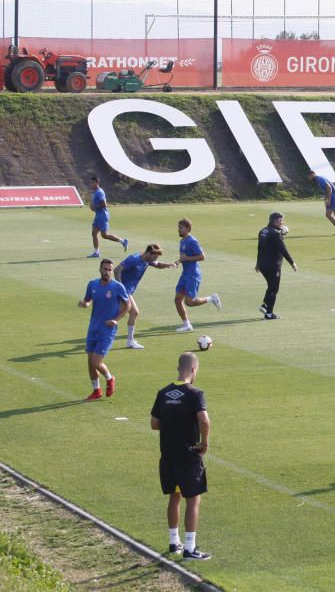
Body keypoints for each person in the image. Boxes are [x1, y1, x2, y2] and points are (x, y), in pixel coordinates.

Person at [150, 352, 212, 561]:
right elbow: (204, 420)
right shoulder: (195, 393)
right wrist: (204, 442)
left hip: (168, 456)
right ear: (193, 369)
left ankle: (173, 541)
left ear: (179, 368)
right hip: (188, 456)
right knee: (193, 500)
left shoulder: (163, 392)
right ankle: (190, 548)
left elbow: (154, 424)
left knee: (174, 496)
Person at [78, 258, 129, 400]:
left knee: (96, 362)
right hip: (93, 328)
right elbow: (88, 300)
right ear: (100, 269)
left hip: (107, 330)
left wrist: (116, 320)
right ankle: (96, 390)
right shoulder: (92, 284)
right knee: (90, 362)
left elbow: (127, 306)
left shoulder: (118, 287)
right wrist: (85, 304)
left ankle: (110, 378)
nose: (107, 272)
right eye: (105, 269)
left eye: (110, 270)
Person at [115, 243, 177, 349]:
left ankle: (102, 331)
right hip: (123, 290)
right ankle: (130, 341)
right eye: (154, 257)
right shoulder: (134, 259)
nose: (154, 259)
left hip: (127, 291)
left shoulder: (147, 260)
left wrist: (169, 265)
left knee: (116, 314)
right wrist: (121, 287)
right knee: (134, 312)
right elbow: (117, 270)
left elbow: (157, 264)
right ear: (148, 253)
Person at [174, 218, 221, 333]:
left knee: (189, 302)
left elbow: (202, 256)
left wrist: (187, 258)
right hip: (185, 274)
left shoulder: (192, 241)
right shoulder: (182, 241)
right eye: (178, 227)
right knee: (177, 299)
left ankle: (212, 298)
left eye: (181, 228)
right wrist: (178, 261)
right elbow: (184, 257)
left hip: (193, 275)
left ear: (188, 229)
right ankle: (187, 325)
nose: (179, 230)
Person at [256, 212, 297, 320]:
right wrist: (292, 262)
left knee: (271, 287)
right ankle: (269, 313)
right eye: (281, 221)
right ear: (275, 221)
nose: (282, 222)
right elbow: (282, 249)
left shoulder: (263, 231)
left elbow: (260, 248)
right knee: (274, 289)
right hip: (273, 265)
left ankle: (265, 305)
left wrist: (257, 263)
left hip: (263, 265)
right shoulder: (276, 234)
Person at [86, 176, 128, 258]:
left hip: (102, 216)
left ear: (97, 183)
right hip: (98, 216)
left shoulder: (99, 192)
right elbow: (95, 204)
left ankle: (123, 241)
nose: (90, 184)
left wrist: (95, 207)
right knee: (94, 233)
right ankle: (96, 252)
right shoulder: (94, 192)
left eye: (92, 183)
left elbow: (104, 204)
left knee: (104, 235)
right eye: (90, 183)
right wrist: (93, 207)